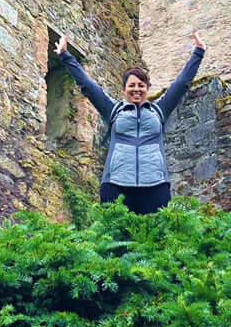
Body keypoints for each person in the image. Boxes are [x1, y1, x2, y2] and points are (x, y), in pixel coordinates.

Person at [54, 31, 206, 213]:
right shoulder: (113, 110)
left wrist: (198, 53)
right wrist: (65, 55)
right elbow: (88, 86)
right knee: (114, 238)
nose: (136, 89)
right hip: (116, 184)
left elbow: (181, 84)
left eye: (141, 86)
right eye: (132, 85)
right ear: (124, 89)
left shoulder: (159, 110)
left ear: (147, 89)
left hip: (155, 184)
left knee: (155, 237)